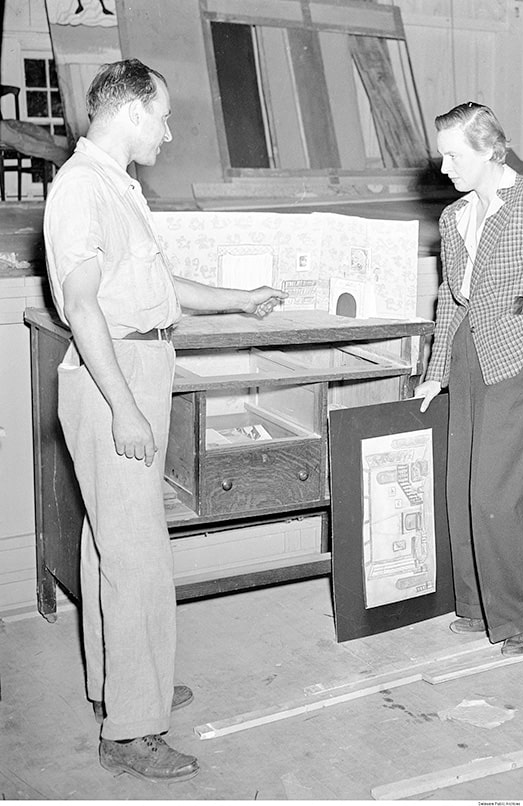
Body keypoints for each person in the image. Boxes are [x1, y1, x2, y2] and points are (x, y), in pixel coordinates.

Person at [43, 59, 287, 782]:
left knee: (109, 546)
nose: (171, 132)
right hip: (111, 375)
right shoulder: (83, 189)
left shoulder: (115, 187)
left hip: (131, 365)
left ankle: (120, 686)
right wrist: (122, 406)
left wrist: (239, 300)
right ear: (129, 113)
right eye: (164, 117)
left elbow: (156, 286)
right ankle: (132, 729)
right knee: (139, 558)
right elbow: (83, 307)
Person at [415, 102, 523, 656]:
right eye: (441, 156)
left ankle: (517, 615)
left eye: (453, 155)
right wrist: (435, 370)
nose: (444, 169)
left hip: (517, 357)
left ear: (492, 149)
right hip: (467, 353)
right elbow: (450, 297)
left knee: (498, 492)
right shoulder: (455, 216)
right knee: (462, 483)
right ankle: (476, 604)